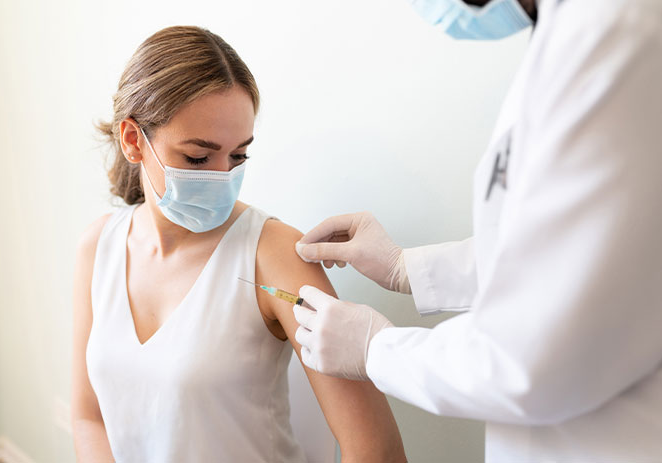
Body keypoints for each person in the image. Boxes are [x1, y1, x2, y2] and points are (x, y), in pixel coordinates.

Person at [292, 0, 662, 461]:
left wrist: (377, 350)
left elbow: (533, 359)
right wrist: (407, 268)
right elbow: (567, 248)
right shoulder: (571, 34)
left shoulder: (615, 37)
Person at [70, 26, 406, 463]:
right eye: (197, 157)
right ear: (134, 141)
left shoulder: (275, 254)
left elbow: (376, 450)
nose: (222, 175)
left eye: (238, 156)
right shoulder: (98, 246)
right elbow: (88, 417)